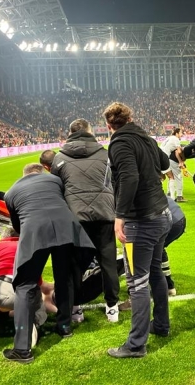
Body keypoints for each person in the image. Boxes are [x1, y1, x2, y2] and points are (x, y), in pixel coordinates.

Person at [3, 163, 95, 363]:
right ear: (41, 172)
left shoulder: (11, 192)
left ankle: (22, 349)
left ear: (24, 175)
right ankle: (65, 326)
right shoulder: (54, 180)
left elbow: (17, 226)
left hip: (34, 232)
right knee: (64, 277)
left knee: (25, 285)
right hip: (66, 228)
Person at [103, 102, 172, 358]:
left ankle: (135, 345)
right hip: (161, 214)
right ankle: (161, 325)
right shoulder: (145, 137)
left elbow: (129, 177)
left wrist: (119, 216)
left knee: (137, 283)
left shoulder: (119, 143)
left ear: (108, 125)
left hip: (140, 222)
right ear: (130, 118)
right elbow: (164, 162)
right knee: (155, 272)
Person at [50, 118, 120, 323]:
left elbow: (56, 188)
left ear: (70, 133)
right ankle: (112, 307)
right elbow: (115, 182)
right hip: (104, 215)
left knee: (75, 265)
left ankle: (76, 308)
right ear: (91, 132)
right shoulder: (105, 154)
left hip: (75, 217)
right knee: (108, 262)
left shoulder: (59, 157)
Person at [160, 127, 187, 202]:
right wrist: (182, 161)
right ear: (177, 133)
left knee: (162, 177)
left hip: (159, 157)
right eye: (181, 133)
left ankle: (167, 194)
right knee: (174, 177)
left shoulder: (169, 138)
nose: (181, 135)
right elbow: (179, 151)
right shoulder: (176, 139)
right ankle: (178, 196)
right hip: (165, 158)